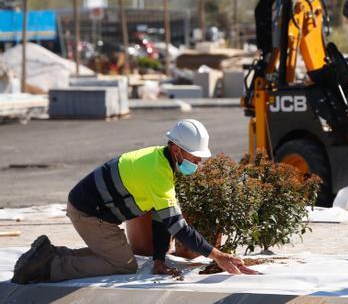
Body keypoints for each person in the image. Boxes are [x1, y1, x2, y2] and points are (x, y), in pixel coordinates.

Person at [12, 119, 257, 284]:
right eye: (196, 157)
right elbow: (178, 227)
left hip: (91, 208)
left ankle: (49, 252)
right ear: (176, 150)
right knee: (123, 265)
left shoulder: (160, 162)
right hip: (88, 213)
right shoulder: (157, 173)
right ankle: (49, 267)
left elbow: (161, 216)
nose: (199, 163)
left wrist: (159, 259)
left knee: (116, 255)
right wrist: (217, 254)